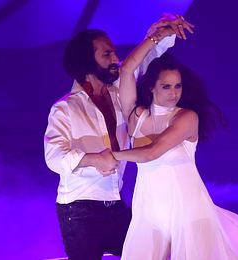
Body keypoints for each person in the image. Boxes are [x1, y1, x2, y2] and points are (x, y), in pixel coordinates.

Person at [112, 23, 238, 259]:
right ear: (151, 87)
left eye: (177, 86)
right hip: (150, 214)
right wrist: (156, 37)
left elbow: (152, 152)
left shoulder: (186, 117)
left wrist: (111, 155)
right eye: (166, 86)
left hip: (189, 212)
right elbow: (126, 70)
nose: (174, 93)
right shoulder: (135, 117)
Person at [44, 14, 192, 260]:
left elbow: (139, 64)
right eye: (107, 54)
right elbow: (54, 157)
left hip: (116, 205)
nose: (115, 59)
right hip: (79, 211)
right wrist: (93, 159)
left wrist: (163, 34)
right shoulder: (65, 109)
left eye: (113, 52)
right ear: (86, 62)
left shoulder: (117, 92)